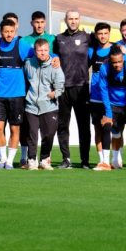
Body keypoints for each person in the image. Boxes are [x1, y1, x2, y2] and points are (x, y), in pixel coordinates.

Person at [0, 18, 33, 169]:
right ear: (1, 32)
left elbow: (40, 52)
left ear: (15, 31)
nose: (9, 34)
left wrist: (55, 58)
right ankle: (2, 159)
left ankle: (10, 162)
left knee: (15, 129)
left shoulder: (22, 45)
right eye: (6, 31)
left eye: (11, 32)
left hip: (17, 95)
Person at [52, 9, 91, 168]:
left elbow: (104, 47)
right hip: (63, 88)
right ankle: (66, 159)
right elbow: (53, 57)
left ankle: (85, 161)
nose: (73, 21)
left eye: (76, 19)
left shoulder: (88, 37)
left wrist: (119, 48)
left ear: (79, 20)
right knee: (62, 125)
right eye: (70, 19)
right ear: (65, 20)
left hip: (81, 87)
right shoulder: (58, 39)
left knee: (84, 126)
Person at [96, 45, 126, 171]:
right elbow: (103, 91)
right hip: (113, 104)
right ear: (110, 61)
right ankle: (106, 162)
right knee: (108, 127)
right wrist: (108, 114)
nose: (117, 65)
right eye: (114, 62)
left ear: (123, 59)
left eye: (119, 61)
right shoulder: (104, 69)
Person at [23, 38, 64, 170]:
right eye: (40, 50)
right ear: (34, 51)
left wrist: (54, 94)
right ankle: (31, 159)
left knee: (49, 134)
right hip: (31, 105)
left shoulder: (54, 65)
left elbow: (60, 85)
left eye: (45, 50)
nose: (43, 53)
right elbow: (23, 80)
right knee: (32, 134)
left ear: (49, 51)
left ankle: (45, 159)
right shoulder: (28, 63)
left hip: (49, 106)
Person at [86, 22, 114, 168]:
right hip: (95, 96)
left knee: (109, 127)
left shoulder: (115, 49)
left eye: (105, 33)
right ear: (96, 35)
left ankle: (111, 160)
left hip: (110, 97)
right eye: (100, 34)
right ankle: (101, 159)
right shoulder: (92, 51)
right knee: (97, 128)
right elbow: (83, 67)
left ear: (109, 34)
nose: (103, 36)